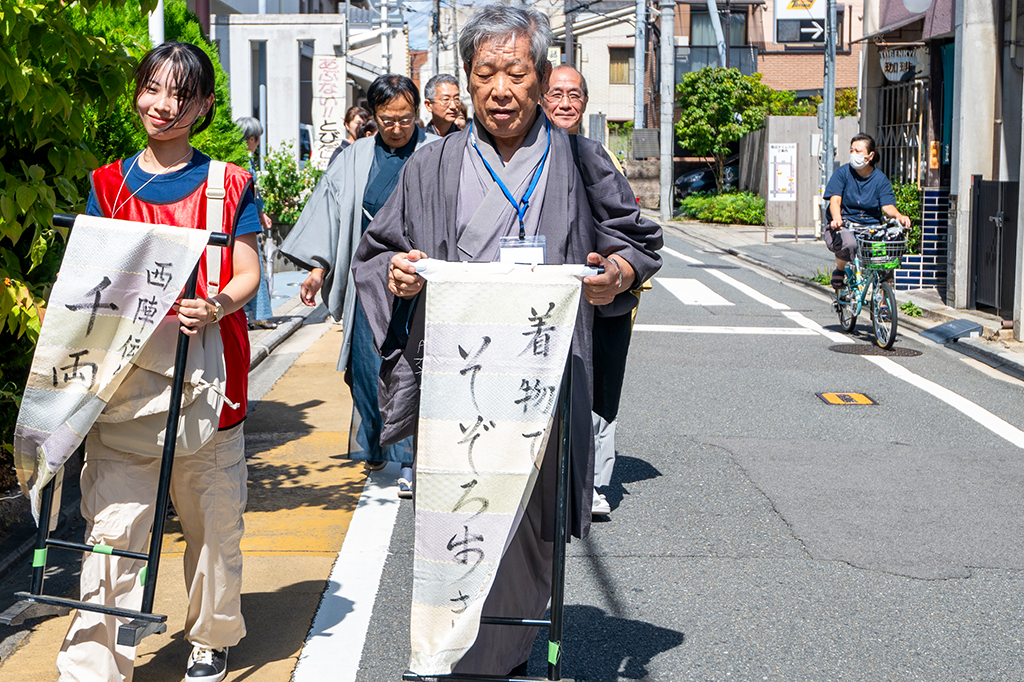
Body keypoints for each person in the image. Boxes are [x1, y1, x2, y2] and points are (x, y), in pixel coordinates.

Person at [351, 5, 662, 675]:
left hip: (541, 374)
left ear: (542, 76)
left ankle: (505, 651)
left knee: (526, 522)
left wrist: (616, 274)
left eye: (515, 72)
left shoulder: (580, 160)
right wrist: (400, 277)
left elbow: (633, 239)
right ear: (466, 80)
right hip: (458, 377)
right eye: (484, 72)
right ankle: (455, 643)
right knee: (456, 507)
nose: (499, 89)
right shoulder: (433, 167)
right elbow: (379, 250)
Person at [58, 41, 261, 682]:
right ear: (138, 91)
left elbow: (251, 268)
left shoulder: (229, 183)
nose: (163, 106)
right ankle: (93, 663)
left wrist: (220, 302)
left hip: (212, 373)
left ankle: (210, 635)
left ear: (203, 106)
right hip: (125, 380)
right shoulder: (107, 185)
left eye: (181, 95)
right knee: (113, 528)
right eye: (153, 88)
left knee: (212, 521)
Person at [279, 75, 437, 499]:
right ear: (375, 117)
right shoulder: (354, 158)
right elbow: (330, 210)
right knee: (366, 367)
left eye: (406, 119)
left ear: (417, 113)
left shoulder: (436, 153)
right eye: (388, 120)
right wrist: (318, 268)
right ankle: (382, 439)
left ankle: (410, 457)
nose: (398, 128)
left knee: (414, 364)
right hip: (368, 275)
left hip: (421, 278)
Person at [541, 64, 636, 517]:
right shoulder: (524, 154)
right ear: (540, 98)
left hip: (597, 295)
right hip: (540, 295)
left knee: (598, 385)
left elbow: (631, 229)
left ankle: (595, 482)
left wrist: (616, 268)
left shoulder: (596, 155)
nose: (565, 102)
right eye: (556, 93)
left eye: (574, 94)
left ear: (585, 103)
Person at [824, 133, 911, 288]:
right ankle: (840, 269)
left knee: (885, 259)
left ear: (870, 156)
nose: (853, 155)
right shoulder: (842, 173)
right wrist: (837, 218)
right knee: (849, 243)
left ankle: (884, 303)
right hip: (846, 223)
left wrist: (898, 216)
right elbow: (835, 200)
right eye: (852, 151)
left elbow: (887, 206)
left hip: (872, 226)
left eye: (858, 151)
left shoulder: (880, 179)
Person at [236, 116, 277, 329]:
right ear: (251, 138)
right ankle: (256, 316)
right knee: (254, 270)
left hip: (244, 220)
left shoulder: (242, 159)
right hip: (246, 223)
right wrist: (259, 211)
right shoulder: (244, 162)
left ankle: (251, 316)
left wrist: (261, 212)